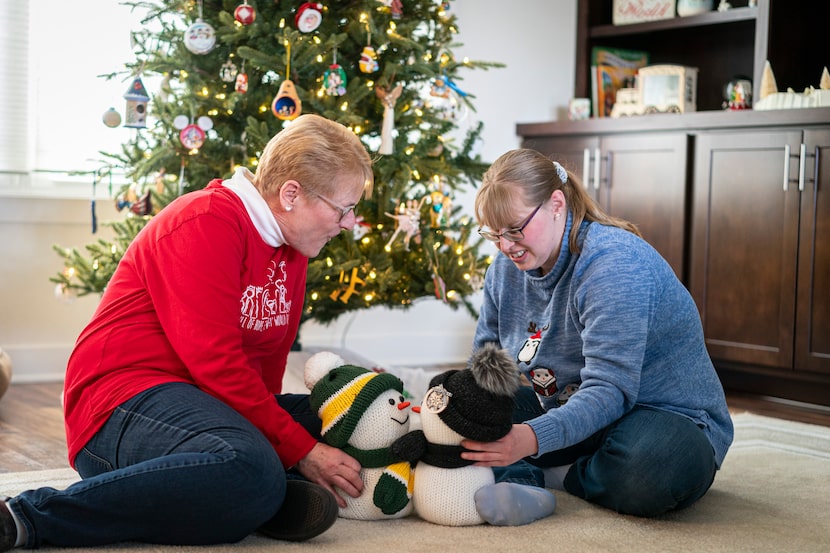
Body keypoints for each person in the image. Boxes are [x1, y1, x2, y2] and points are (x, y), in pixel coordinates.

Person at [0, 114, 374, 550]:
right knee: (250, 468)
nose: (349, 223)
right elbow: (217, 363)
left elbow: (266, 364)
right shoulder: (206, 220)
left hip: (203, 401)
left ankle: (249, 496)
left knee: (356, 409)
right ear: (291, 194)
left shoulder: (291, 245)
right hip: (121, 403)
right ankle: (26, 517)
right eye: (343, 208)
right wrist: (300, 452)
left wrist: (281, 436)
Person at [460, 148, 734, 518]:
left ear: (556, 204)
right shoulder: (504, 270)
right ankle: (526, 483)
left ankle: (558, 475)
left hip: (662, 416)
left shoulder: (613, 264)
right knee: (463, 415)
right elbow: (486, 367)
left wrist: (532, 438)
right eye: (494, 234)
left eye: (515, 229)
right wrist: (457, 405)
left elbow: (610, 390)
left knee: (650, 469)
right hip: (567, 407)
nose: (506, 246)